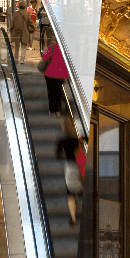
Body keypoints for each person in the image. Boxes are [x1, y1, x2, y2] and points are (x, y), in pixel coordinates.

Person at [39, 39, 84, 224]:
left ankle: (54, 110)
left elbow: (44, 57)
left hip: (70, 169)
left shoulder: (52, 48)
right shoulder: (82, 137)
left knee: (52, 93)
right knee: (60, 92)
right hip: (62, 74)